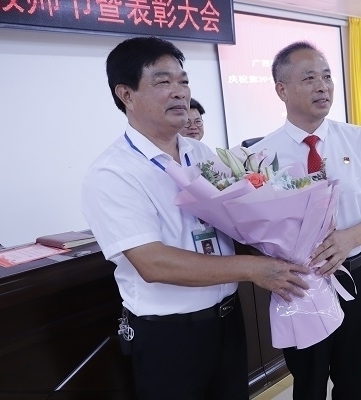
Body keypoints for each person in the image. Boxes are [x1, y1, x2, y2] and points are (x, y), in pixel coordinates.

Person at [80, 36, 309, 400]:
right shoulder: (113, 173)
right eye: (163, 82)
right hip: (170, 336)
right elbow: (152, 263)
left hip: (228, 321)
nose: (179, 92)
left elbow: (238, 222)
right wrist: (253, 268)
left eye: (183, 81)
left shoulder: (201, 154)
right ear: (126, 94)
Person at [249, 41, 361, 400]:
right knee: (308, 384)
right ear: (282, 90)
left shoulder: (357, 139)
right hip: (299, 284)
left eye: (327, 77)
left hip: (355, 274)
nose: (323, 86)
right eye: (309, 78)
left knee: (354, 382)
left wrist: (348, 239)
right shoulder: (259, 156)